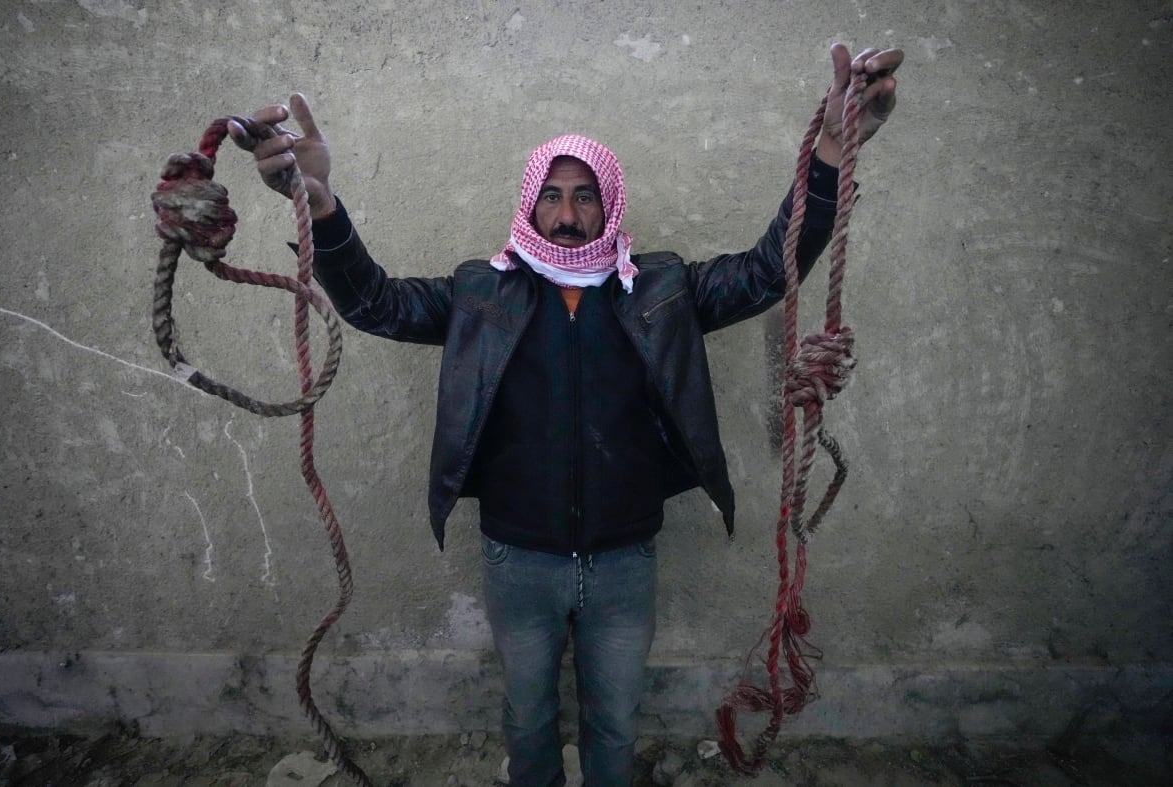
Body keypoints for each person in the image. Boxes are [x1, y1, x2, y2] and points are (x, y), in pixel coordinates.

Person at [229, 43, 902, 787]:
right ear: (529, 203)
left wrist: (833, 154)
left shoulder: (661, 288)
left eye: (585, 196)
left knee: (615, 722)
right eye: (552, 195)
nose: (568, 214)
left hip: (625, 561)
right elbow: (374, 303)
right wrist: (318, 204)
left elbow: (766, 270)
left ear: (609, 204)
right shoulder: (481, 293)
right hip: (519, 561)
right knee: (528, 720)